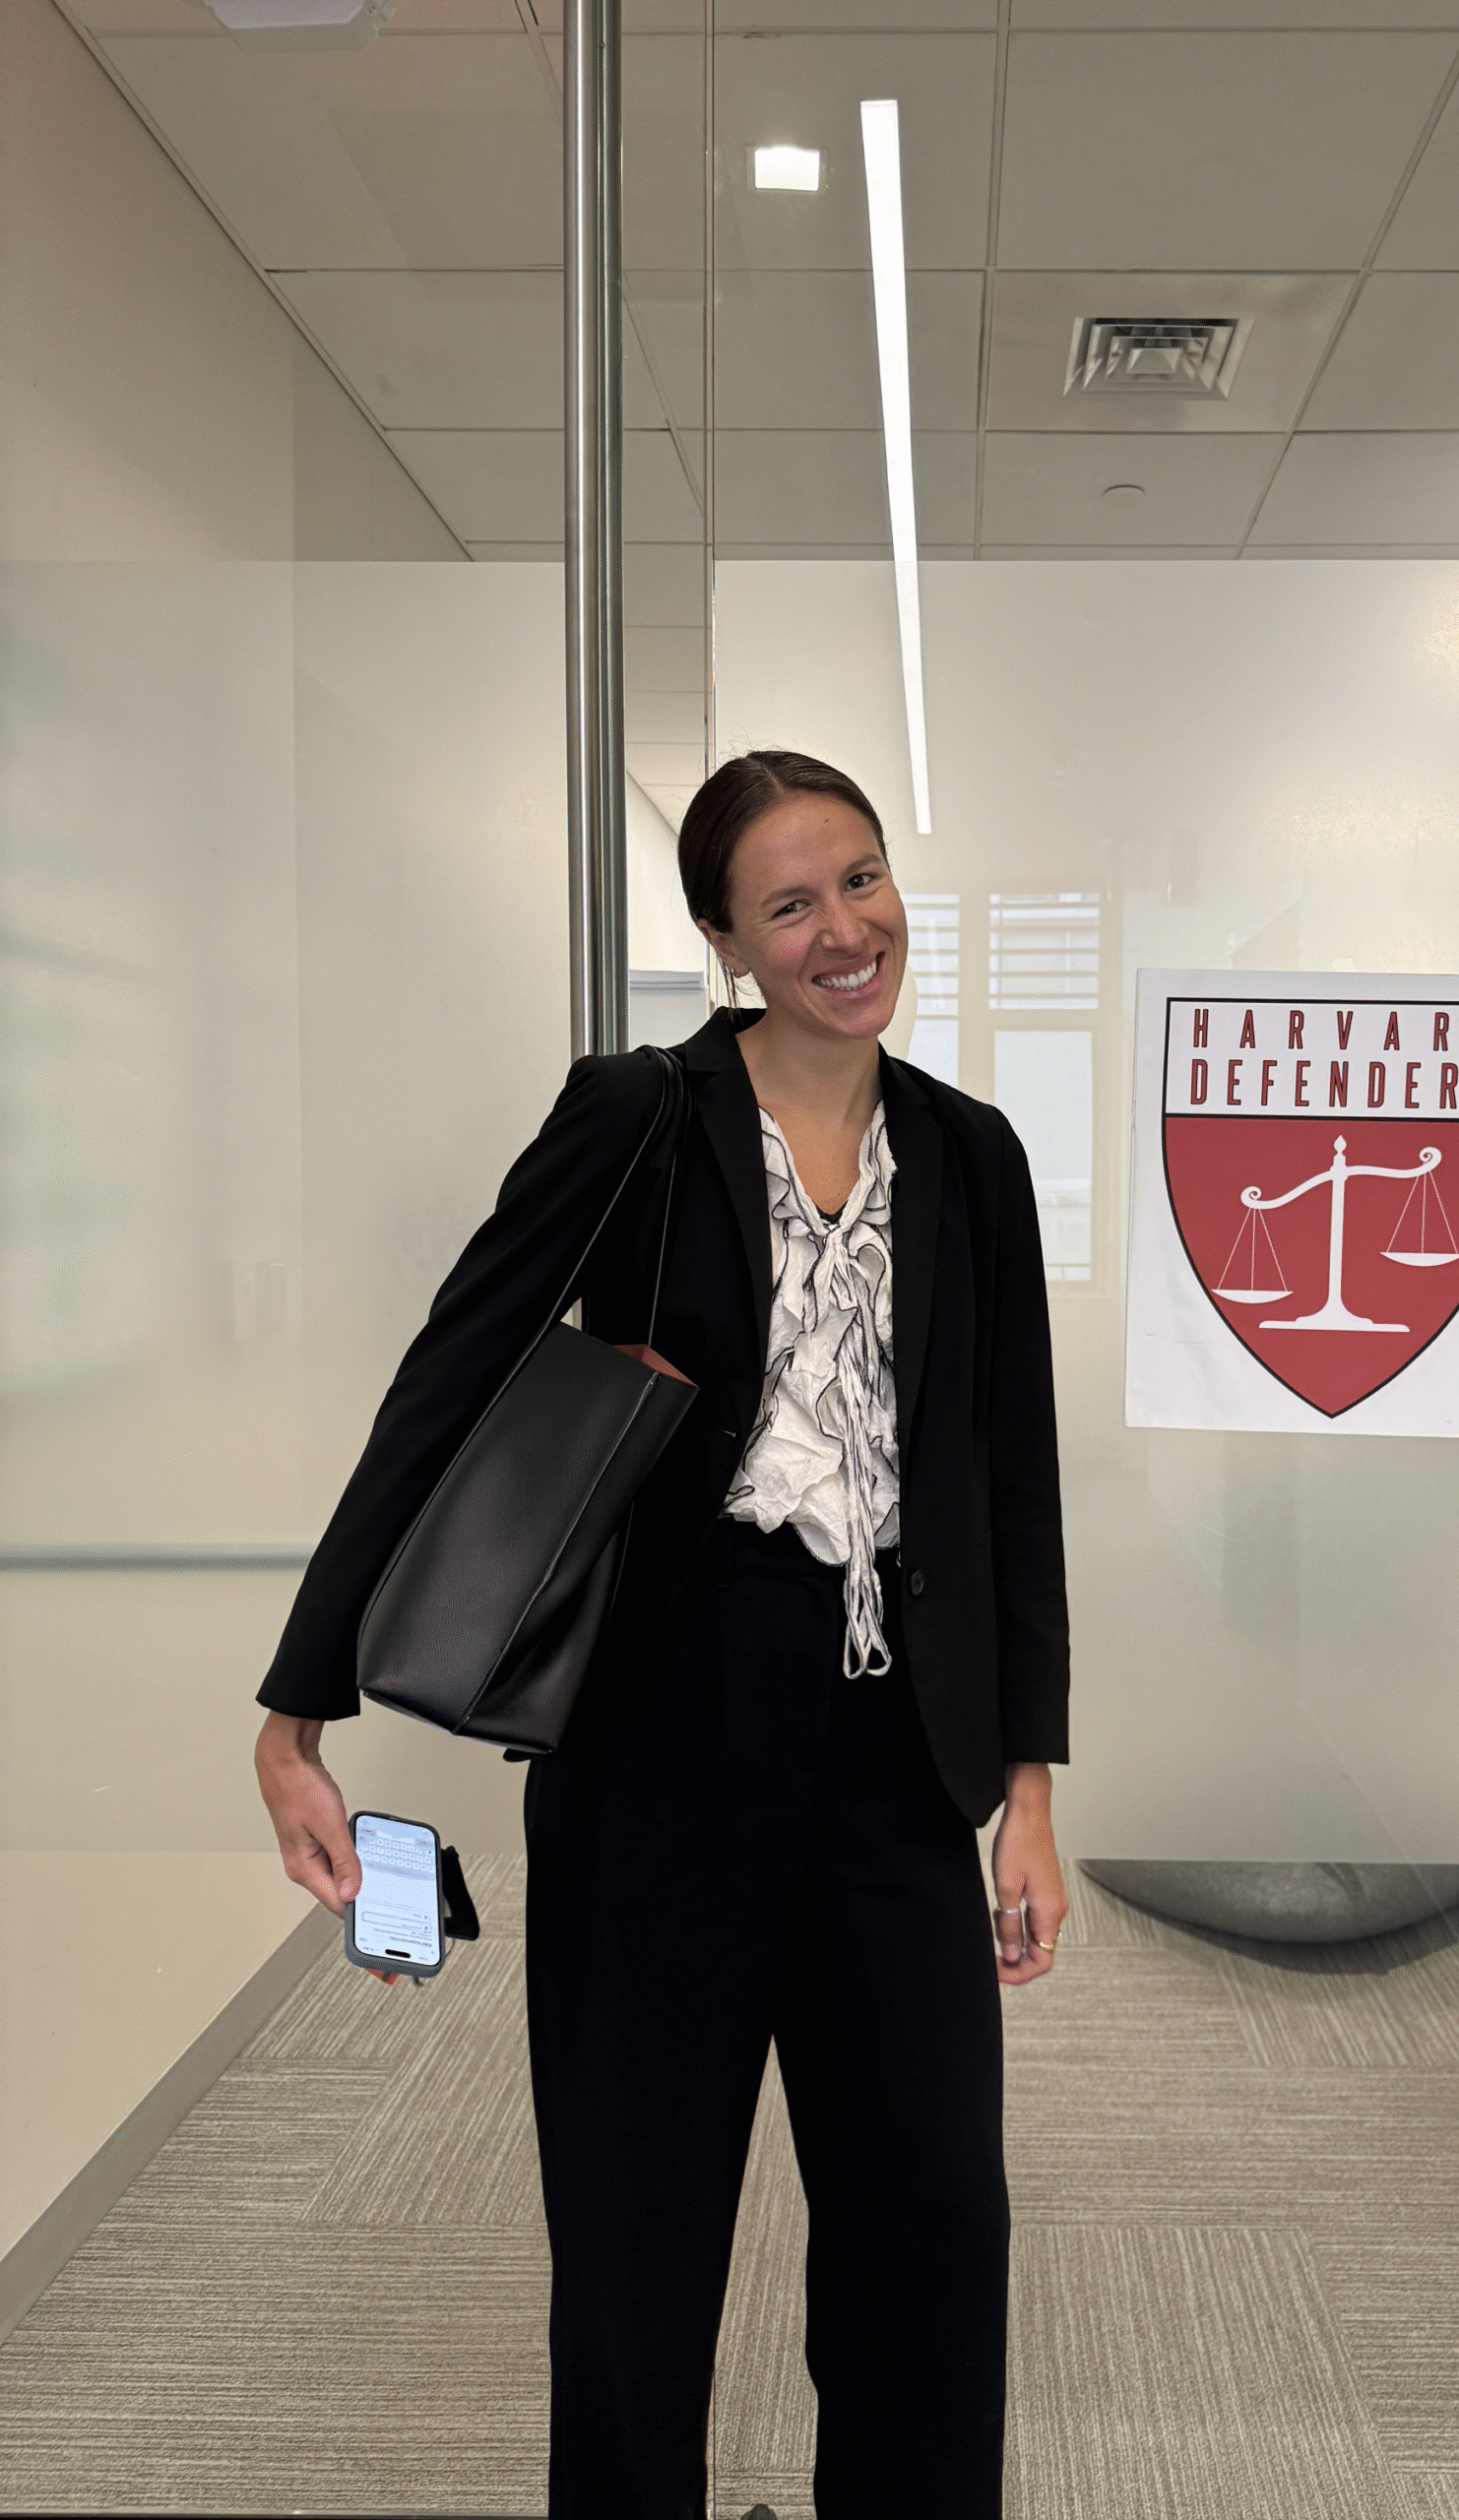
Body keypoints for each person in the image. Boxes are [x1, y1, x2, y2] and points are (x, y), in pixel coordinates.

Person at [252, 748, 1072, 2519]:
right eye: (792, 903)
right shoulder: (635, 1120)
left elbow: (1013, 1486)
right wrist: (297, 1705)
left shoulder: (974, 1157)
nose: (845, 929)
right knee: (637, 2258)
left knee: (933, 2241)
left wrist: (1029, 1791)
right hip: (661, 1758)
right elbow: (450, 1378)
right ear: (725, 935)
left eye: (860, 879)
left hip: (894, 1764)